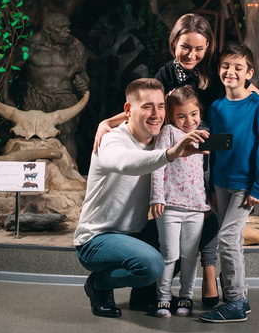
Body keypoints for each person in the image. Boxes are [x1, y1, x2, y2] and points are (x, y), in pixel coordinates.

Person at [93, 13, 259, 307]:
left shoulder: (216, 71)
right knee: (168, 229)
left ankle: (208, 273)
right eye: (185, 47)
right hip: (174, 157)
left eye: (199, 48)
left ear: (208, 48)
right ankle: (153, 288)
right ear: (174, 44)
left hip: (207, 157)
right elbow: (146, 105)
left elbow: (253, 92)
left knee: (206, 214)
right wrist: (109, 120)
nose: (191, 54)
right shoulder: (166, 74)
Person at [73, 78, 209, 318]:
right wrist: (169, 154)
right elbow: (127, 162)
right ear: (128, 110)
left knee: (208, 223)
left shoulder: (161, 137)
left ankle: (146, 294)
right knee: (152, 264)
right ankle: (99, 284)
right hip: (97, 239)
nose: (155, 114)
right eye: (147, 106)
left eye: (160, 106)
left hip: (135, 233)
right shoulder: (111, 140)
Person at [199, 43, 259, 323]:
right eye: (225, 66)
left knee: (228, 240)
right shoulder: (217, 107)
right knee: (234, 243)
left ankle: (235, 302)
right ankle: (242, 295)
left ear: (249, 73)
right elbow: (216, 150)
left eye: (238, 67)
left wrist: (258, 188)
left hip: (245, 185)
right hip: (221, 183)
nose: (230, 72)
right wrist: (211, 189)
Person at [150, 86, 210, 317]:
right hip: (170, 206)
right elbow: (157, 166)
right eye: (181, 116)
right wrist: (156, 197)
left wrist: (205, 203)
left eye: (193, 114)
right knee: (168, 255)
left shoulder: (203, 134)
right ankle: (163, 298)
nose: (189, 121)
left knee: (189, 255)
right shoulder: (168, 133)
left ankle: (186, 297)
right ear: (172, 117)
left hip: (196, 208)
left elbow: (202, 173)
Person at [6, 13, 89, 160]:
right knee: (33, 136)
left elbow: (82, 74)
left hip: (64, 99)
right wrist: (7, 99)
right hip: (37, 98)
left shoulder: (75, 47)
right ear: (49, 30)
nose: (67, 32)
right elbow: (9, 74)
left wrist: (82, 83)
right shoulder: (30, 48)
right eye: (61, 28)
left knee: (66, 133)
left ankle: (70, 173)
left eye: (68, 28)